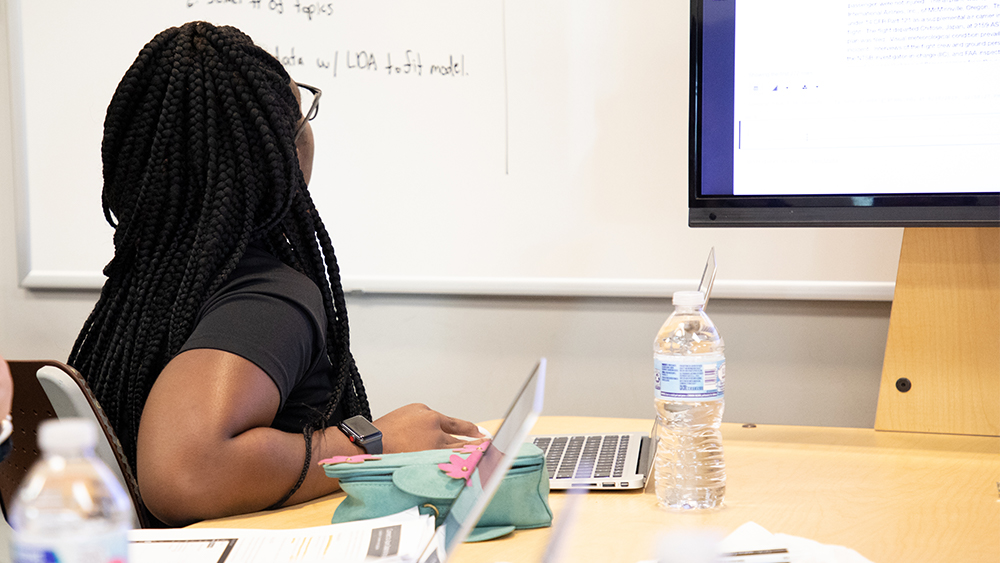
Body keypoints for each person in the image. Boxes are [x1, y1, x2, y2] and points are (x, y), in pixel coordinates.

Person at [68, 21, 482, 527]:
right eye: (300, 113)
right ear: (281, 150)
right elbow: (184, 472)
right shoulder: (268, 299)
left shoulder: (148, 290)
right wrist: (372, 444)